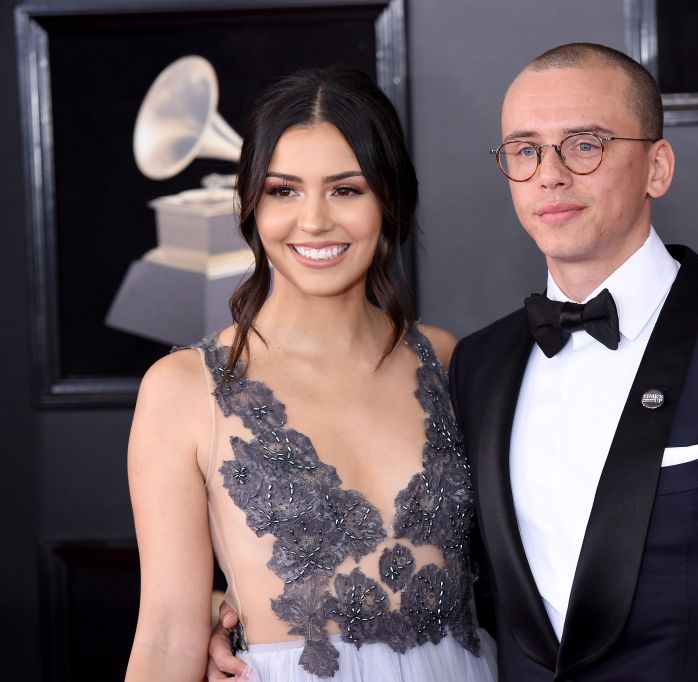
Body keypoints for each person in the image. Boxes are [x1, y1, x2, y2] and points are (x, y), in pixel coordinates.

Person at [211, 44, 698, 680]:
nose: (549, 175)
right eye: (524, 150)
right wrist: (241, 609)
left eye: (585, 145)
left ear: (657, 167)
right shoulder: (474, 365)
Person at [126, 65, 496, 682]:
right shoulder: (183, 389)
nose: (315, 221)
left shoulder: (445, 359)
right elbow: (166, 633)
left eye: (346, 190)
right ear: (250, 201)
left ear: (389, 198)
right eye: (284, 190)